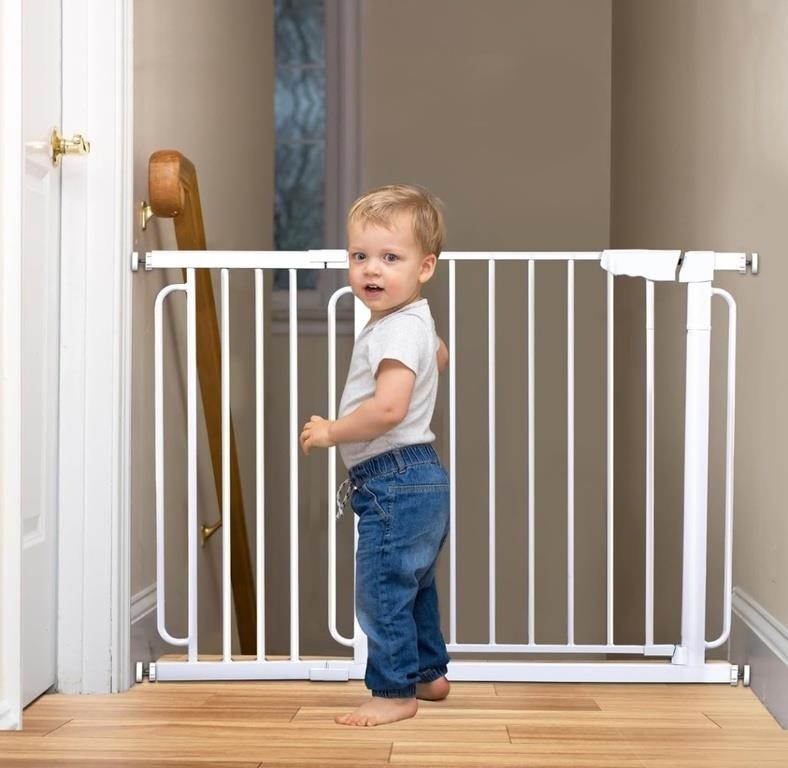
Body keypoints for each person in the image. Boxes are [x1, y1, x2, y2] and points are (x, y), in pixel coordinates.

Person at [300, 183, 451, 726]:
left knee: (383, 587)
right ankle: (429, 675)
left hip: (395, 477)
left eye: (391, 258)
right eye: (360, 256)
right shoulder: (413, 323)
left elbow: (387, 410)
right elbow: (441, 356)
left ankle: (393, 693)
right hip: (421, 479)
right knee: (415, 585)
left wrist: (332, 431)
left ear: (425, 267)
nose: (371, 270)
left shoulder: (396, 330)